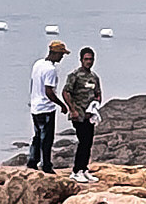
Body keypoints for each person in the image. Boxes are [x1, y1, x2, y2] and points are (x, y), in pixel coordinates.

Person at [26, 41, 67, 173]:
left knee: (37, 135)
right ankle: (46, 165)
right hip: (46, 108)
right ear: (54, 53)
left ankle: (33, 161)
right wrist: (62, 104)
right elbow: (49, 91)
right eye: (61, 54)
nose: (62, 57)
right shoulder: (51, 69)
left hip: (35, 106)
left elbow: (34, 83)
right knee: (47, 138)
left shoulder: (38, 64)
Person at [63, 46, 102, 183]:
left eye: (91, 59)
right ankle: (76, 171)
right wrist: (72, 110)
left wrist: (96, 104)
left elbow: (98, 93)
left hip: (89, 116)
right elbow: (66, 92)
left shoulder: (94, 77)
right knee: (83, 141)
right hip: (78, 115)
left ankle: (84, 170)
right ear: (81, 60)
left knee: (89, 142)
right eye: (86, 59)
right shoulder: (74, 76)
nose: (89, 62)